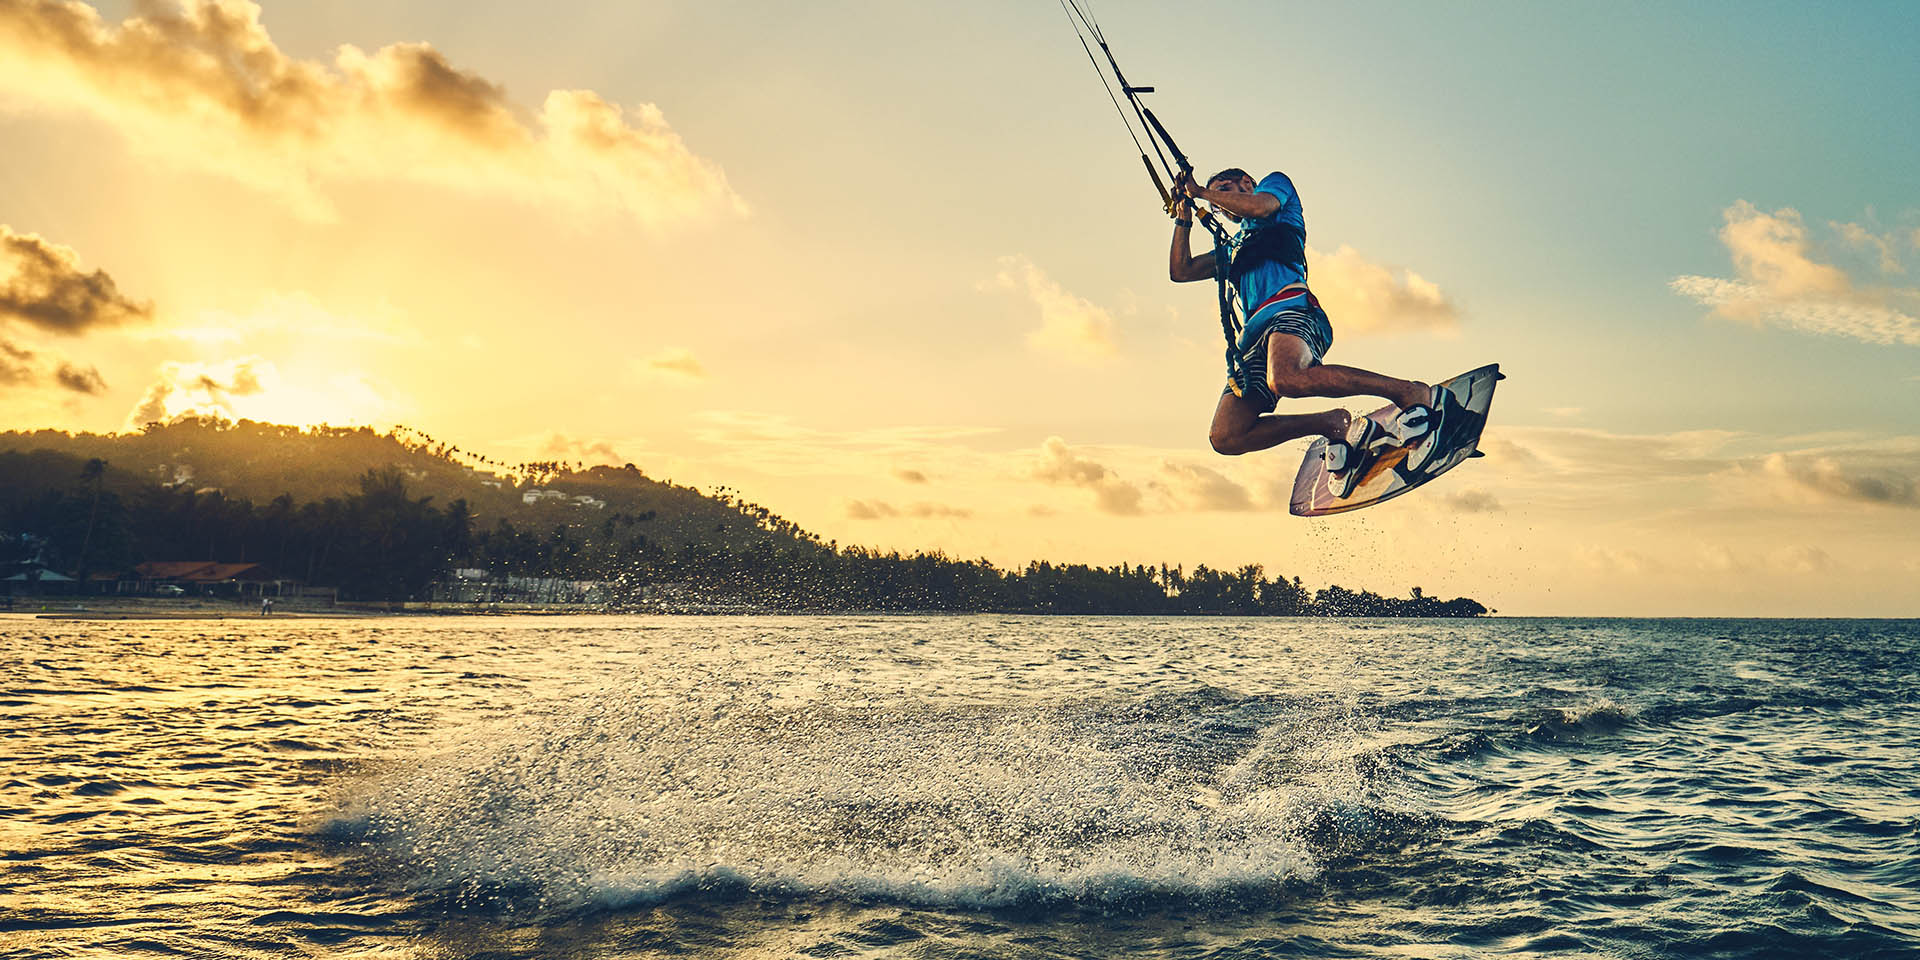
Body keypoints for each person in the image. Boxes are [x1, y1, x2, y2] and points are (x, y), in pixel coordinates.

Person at [1169, 167, 1448, 494]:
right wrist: (1183, 216)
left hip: (1291, 310)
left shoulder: (1275, 190)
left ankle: (1408, 392)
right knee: (1226, 435)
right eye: (1219, 202)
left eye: (1228, 190)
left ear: (1247, 183)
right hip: (1252, 342)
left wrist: (1202, 192)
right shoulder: (1232, 248)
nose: (1224, 204)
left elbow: (1260, 207)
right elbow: (1181, 270)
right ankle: (1329, 423)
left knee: (1287, 378)